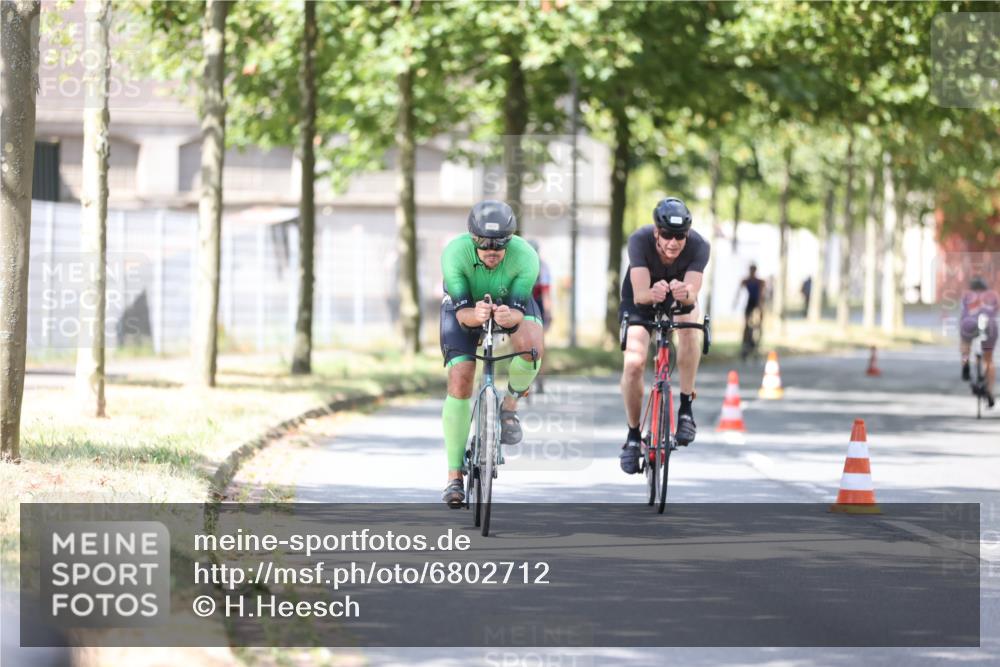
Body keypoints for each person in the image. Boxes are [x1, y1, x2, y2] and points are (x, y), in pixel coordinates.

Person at [439, 201, 543, 506]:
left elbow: (518, 310)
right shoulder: (455, 253)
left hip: (509, 306)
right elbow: (462, 316)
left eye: (500, 243)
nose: (492, 249)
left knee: (532, 349)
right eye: (484, 243)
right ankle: (453, 476)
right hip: (465, 309)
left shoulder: (526, 257)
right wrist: (476, 314)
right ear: (472, 238)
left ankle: (508, 407)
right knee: (461, 377)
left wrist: (510, 317)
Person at [618, 197, 710, 475]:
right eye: (667, 235)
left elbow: (693, 292)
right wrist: (652, 293)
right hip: (641, 299)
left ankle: (685, 408)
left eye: (679, 236)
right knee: (634, 362)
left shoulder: (699, 246)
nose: (673, 242)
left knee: (689, 329)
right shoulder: (639, 240)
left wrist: (686, 293)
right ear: (656, 232)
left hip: (679, 299)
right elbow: (640, 293)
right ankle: (633, 437)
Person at [960, 276, 998, 408]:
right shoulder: (992, 296)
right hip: (989, 326)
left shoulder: (966, 296)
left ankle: (965, 363)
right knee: (989, 359)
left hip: (968, 325)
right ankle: (989, 390)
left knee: (965, 345)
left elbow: (963, 313)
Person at [529, 239, 553, 394]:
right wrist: (549, 314)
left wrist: (548, 313)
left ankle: (538, 379)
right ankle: (536, 379)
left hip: (532, 304)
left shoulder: (542, 267)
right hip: (529, 304)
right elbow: (546, 294)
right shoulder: (542, 266)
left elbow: (545, 294)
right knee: (540, 344)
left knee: (537, 345)